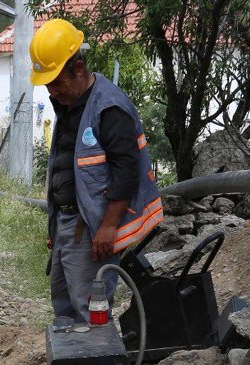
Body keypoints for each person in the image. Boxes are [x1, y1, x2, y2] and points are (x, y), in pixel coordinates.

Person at [31, 18, 163, 323]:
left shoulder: (109, 107)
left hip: (91, 228)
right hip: (68, 222)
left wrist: (107, 228)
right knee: (63, 305)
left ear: (78, 69)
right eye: (48, 84)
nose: (52, 91)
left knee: (89, 311)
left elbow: (127, 171)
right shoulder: (68, 103)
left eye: (56, 82)